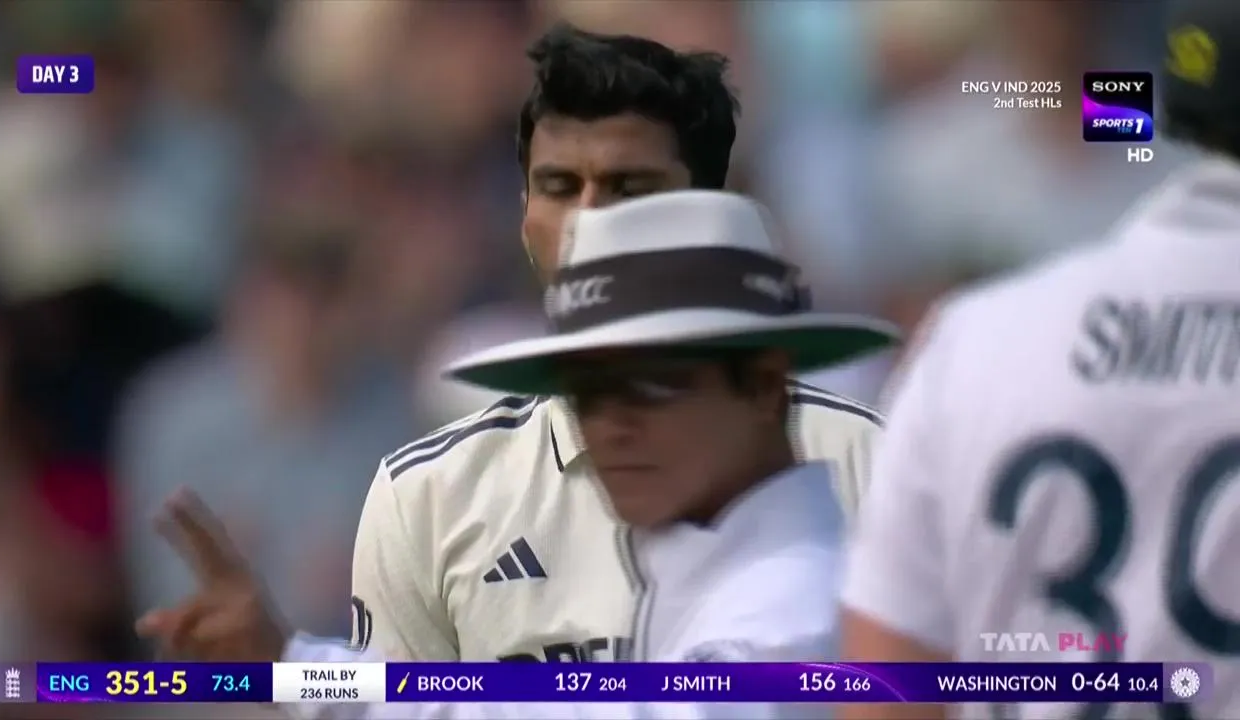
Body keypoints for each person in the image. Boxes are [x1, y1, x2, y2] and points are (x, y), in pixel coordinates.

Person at [191, 22, 881, 665]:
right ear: (522, 218)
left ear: (709, 206)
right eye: (557, 187)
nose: (588, 220)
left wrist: (300, 670)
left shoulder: (866, 461)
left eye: (630, 187)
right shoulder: (430, 494)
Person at [138, 190, 899, 720]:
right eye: (586, 392)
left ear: (763, 384)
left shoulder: (803, 607)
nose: (611, 425)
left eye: (652, 383)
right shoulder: (707, 571)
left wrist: (299, 668)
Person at [839, 1, 1240, 717]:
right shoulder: (943, 134)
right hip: (1014, 431)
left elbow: (1132, 144)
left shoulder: (1128, 107)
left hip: (1047, 394)